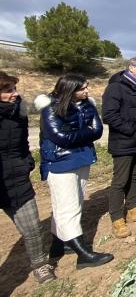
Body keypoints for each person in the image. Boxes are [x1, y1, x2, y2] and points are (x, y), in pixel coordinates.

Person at [35, 74, 113, 268]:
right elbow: (61, 138)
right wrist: (84, 133)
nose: (87, 91)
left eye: (86, 87)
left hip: (82, 158)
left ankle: (59, 245)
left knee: (74, 203)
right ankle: (84, 255)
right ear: (69, 89)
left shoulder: (87, 105)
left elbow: (97, 131)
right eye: (82, 88)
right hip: (61, 163)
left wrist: (77, 134)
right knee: (67, 208)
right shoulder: (50, 108)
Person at [0, 72, 56, 283]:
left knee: (32, 227)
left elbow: (23, 142)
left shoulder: (18, 111)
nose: (15, 94)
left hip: (16, 179)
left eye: (14, 89)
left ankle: (40, 265)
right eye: (8, 91)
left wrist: (26, 161)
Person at [102, 57, 136, 239]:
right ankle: (117, 219)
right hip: (124, 142)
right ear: (131, 68)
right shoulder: (116, 87)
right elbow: (108, 115)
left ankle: (133, 208)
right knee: (120, 180)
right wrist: (130, 129)